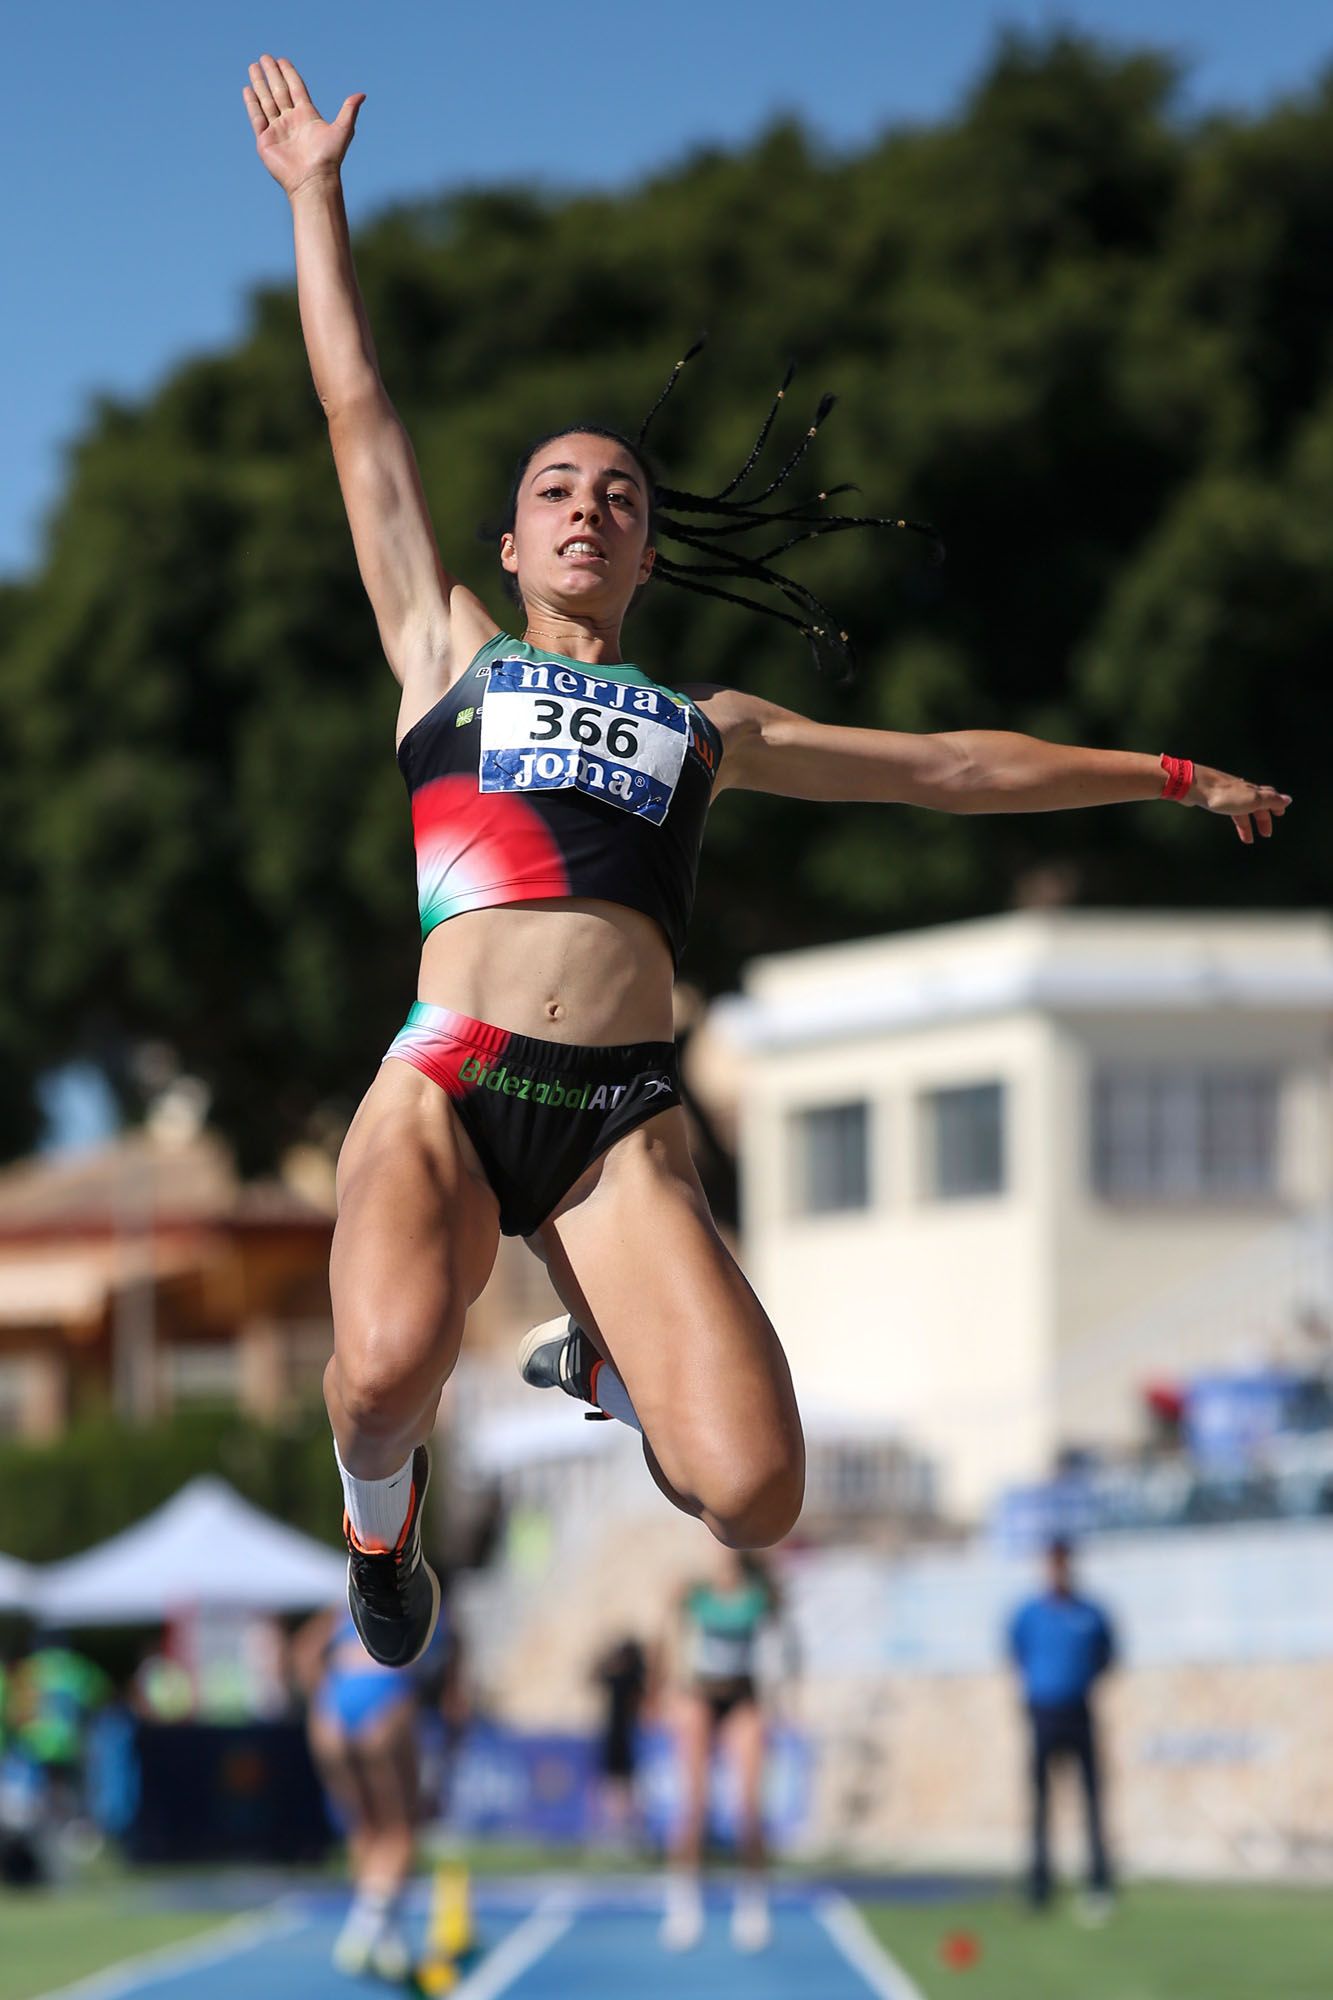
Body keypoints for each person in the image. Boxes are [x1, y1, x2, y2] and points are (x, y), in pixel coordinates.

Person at [243, 55, 1291, 1672]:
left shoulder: (702, 722)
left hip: (616, 1119)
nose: (586, 508)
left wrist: (1152, 773)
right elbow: (360, 414)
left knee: (752, 1491)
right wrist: (317, 199)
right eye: (552, 492)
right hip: (446, 1081)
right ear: (509, 547)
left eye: (617, 496)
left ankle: (602, 1363)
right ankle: (379, 1541)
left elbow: (946, 770)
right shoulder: (444, 652)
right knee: (382, 1369)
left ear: (649, 553)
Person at [292, 1595, 462, 1981]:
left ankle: (388, 1938)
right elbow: (455, 1700)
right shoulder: (434, 1603)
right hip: (386, 1697)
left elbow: (303, 1652)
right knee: (400, 1827)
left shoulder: (348, 1601)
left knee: (364, 1826)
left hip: (334, 1703)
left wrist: (323, 1702)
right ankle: (365, 1928)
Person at [658, 1547, 795, 1952]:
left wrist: (787, 1696)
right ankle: (683, 1901)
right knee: (694, 1803)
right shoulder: (694, 1594)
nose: (722, 1561)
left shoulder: (759, 1595)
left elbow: (785, 1640)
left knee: (749, 1807)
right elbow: (666, 1634)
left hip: (743, 1698)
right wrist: (664, 1690)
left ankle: (752, 1903)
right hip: (700, 1696)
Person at [1008, 1539, 1116, 1918]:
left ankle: (1098, 1882)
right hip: (1043, 1713)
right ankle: (1039, 1886)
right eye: (1052, 1565)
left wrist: (1079, 1683)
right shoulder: (1029, 1613)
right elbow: (1016, 1653)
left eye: (1063, 1564)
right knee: (1041, 1802)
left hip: (1079, 1712)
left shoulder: (1090, 1613)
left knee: (1091, 1800)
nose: (1058, 1571)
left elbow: (1107, 1656)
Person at [590, 1634, 648, 1852]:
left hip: (628, 1736)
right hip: (612, 1735)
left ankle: (628, 1832)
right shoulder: (615, 1676)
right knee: (612, 1785)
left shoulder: (634, 1678)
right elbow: (593, 1676)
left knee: (626, 1785)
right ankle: (613, 1831)